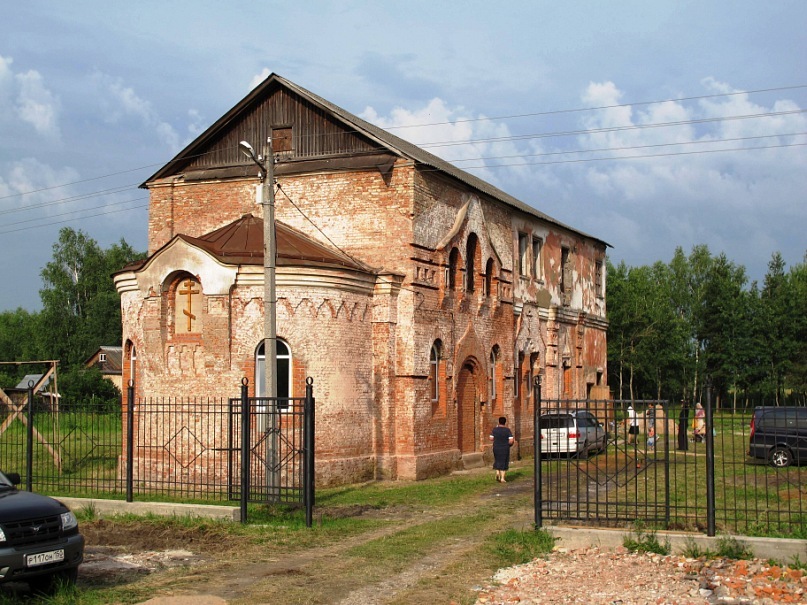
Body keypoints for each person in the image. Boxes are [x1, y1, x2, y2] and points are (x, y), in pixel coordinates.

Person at [489, 416, 514, 483]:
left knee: (497, 459)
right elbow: (511, 440)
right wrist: (508, 444)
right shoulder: (507, 430)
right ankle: (502, 478)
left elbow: (491, 438)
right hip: (505, 448)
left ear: (499, 422)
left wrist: (496, 439)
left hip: (496, 447)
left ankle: (497, 473)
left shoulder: (494, 429)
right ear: (505, 422)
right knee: (504, 461)